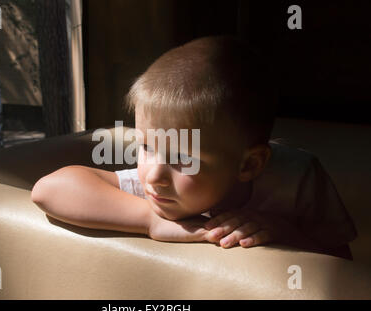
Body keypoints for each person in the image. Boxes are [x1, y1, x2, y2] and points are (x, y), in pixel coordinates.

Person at [31, 35, 357, 260]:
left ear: (249, 166)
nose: (154, 174)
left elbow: (341, 264)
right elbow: (49, 190)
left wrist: (285, 233)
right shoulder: (157, 187)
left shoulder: (299, 178)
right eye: (145, 145)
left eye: (183, 157)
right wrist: (150, 221)